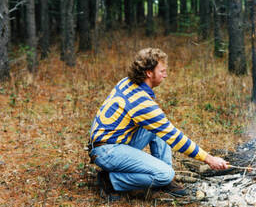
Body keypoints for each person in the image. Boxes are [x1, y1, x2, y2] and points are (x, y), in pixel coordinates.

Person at [88, 48, 228, 199]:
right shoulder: (141, 102)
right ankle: (111, 180)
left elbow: (165, 131)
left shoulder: (127, 82)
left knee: (159, 128)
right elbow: (175, 138)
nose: (165, 75)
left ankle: (165, 180)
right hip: (106, 151)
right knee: (164, 173)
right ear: (149, 73)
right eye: (162, 71)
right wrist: (209, 159)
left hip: (113, 141)